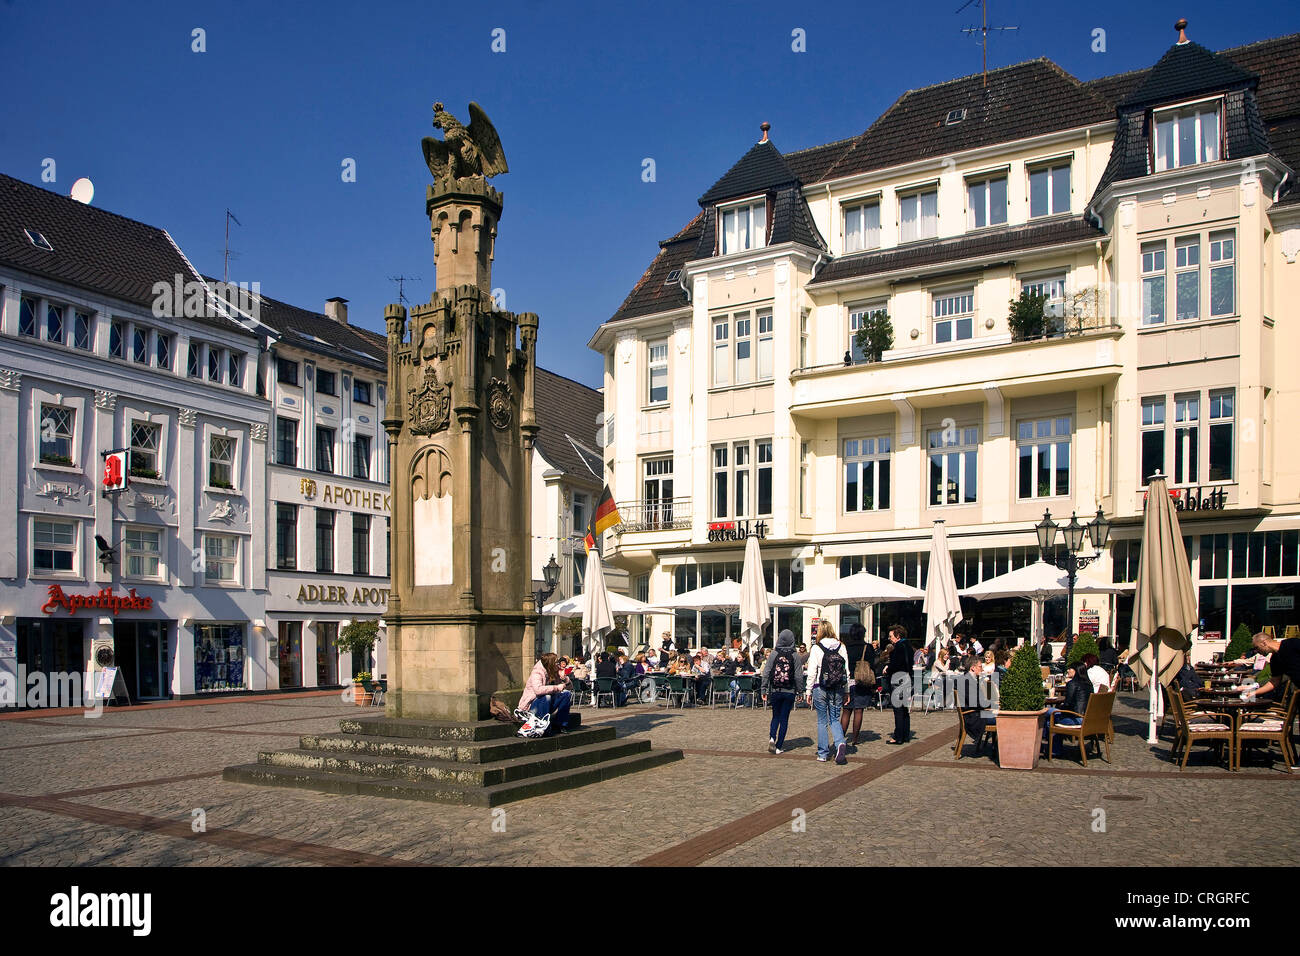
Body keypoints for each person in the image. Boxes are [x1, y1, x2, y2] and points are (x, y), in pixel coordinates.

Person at [806, 621, 850, 764]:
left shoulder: (816, 648)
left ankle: (823, 753)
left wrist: (808, 690)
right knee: (835, 719)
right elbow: (846, 671)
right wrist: (847, 691)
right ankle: (840, 743)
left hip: (820, 687)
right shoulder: (841, 646)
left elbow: (812, 671)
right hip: (838, 687)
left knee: (822, 721)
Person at [762, 629, 805, 754]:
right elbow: (798, 676)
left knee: (775, 715)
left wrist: (764, 688)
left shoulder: (774, 653)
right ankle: (779, 746)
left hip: (775, 689)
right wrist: (800, 691)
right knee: (784, 718)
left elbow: (766, 672)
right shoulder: (795, 655)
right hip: (789, 691)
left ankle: (771, 738)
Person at [1236, 632, 1300, 702]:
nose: (1257, 651)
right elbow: (1274, 682)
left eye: (1256, 648)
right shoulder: (1275, 659)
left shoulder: (1292, 643)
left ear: (1264, 643)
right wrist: (1254, 693)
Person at [518, 652, 572, 735]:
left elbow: (570, 687)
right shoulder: (537, 672)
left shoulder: (554, 671)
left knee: (566, 694)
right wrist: (556, 687)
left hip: (547, 703)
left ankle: (561, 724)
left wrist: (564, 679)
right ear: (550, 664)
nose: (557, 664)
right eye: (555, 662)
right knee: (546, 696)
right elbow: (538, 690)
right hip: (532, 705)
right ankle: (544, 726)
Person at [883, 624, 913, 745]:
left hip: (898, 679)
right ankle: (905, 734)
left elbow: (896, 664)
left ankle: (898, 736)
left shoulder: (899, 647)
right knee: (904, 708)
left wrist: (887, 669)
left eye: (891, 636)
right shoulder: (908, 646)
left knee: (898, 709)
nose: (890, 638)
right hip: (907, 678)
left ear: (898, 635)